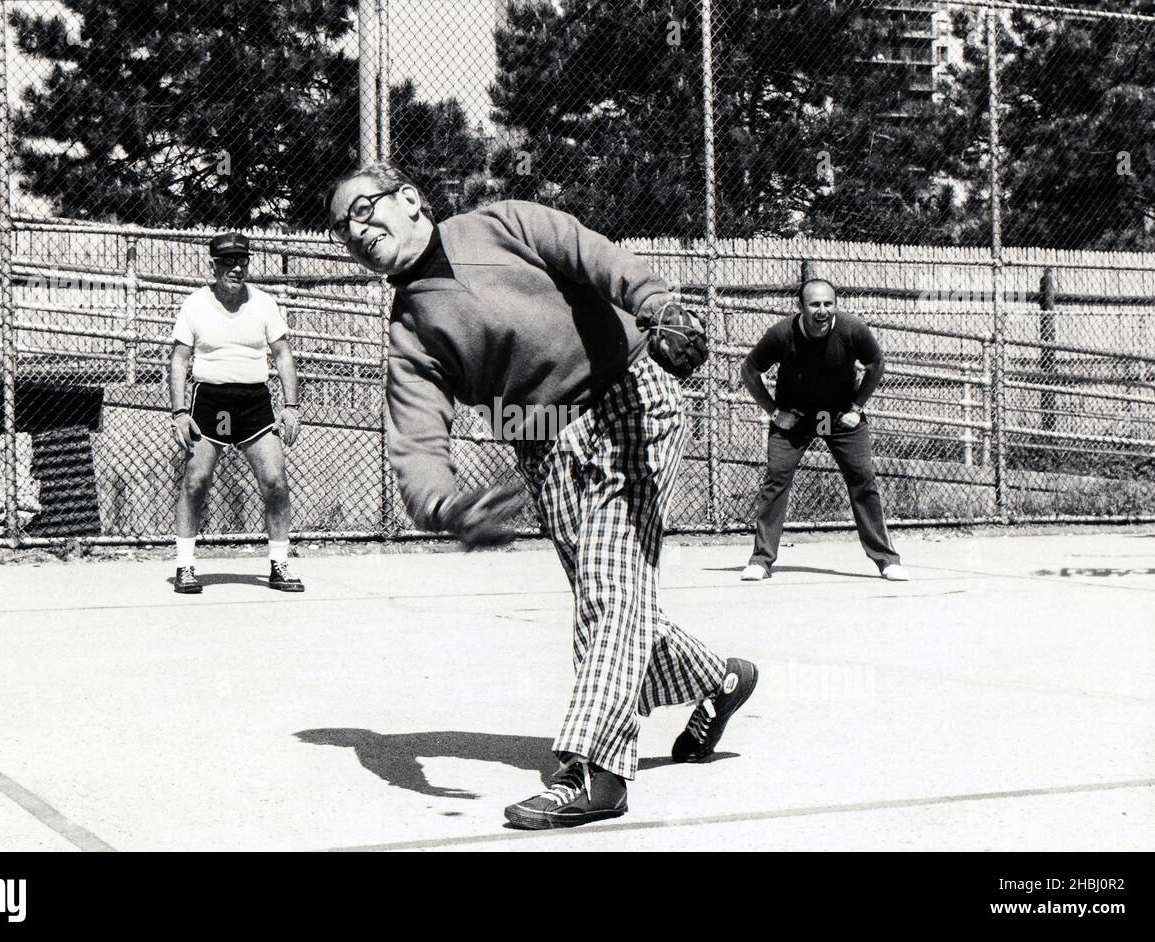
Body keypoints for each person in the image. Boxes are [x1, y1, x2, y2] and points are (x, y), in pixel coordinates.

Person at [327, 162, 759, 830]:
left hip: (629, 396)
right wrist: (446, 506)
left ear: (410, 199)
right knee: (607, 596)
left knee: (611, 591)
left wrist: (656, 303)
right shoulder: (410, 333)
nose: (355, 232)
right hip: (541, 442)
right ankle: (716, 679)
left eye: (362, 211)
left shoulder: (500, 225)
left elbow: (590, 253)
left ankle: (595, 769)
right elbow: (416, 446)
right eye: (341, 229)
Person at [739, 279, 909, 582]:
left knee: (862, 479)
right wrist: (774, 412)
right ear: (800, 307)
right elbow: (749, 370)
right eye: (814, 304)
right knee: (776, 480)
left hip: (839, 418)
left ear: (836, 304)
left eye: (828, 304)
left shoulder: (852, 328)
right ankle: (761, 561)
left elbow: (876, 363)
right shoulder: (780, 334)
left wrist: (856, 408)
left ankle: (886, 559)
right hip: (796, 419)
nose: (822, 311)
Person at [168, 232, 305, 594]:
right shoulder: (194, 305)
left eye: (241, 261)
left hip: (254, 403)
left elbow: (284, 356)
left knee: (275, 481)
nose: (236, 268)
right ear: (213, 266)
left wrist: (290, 407)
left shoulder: (264, 304)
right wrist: (180, 412)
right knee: (196, 481)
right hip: (209, 402)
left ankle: (280, 565)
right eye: (227, 261)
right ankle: (185, 566)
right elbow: (180, 360)